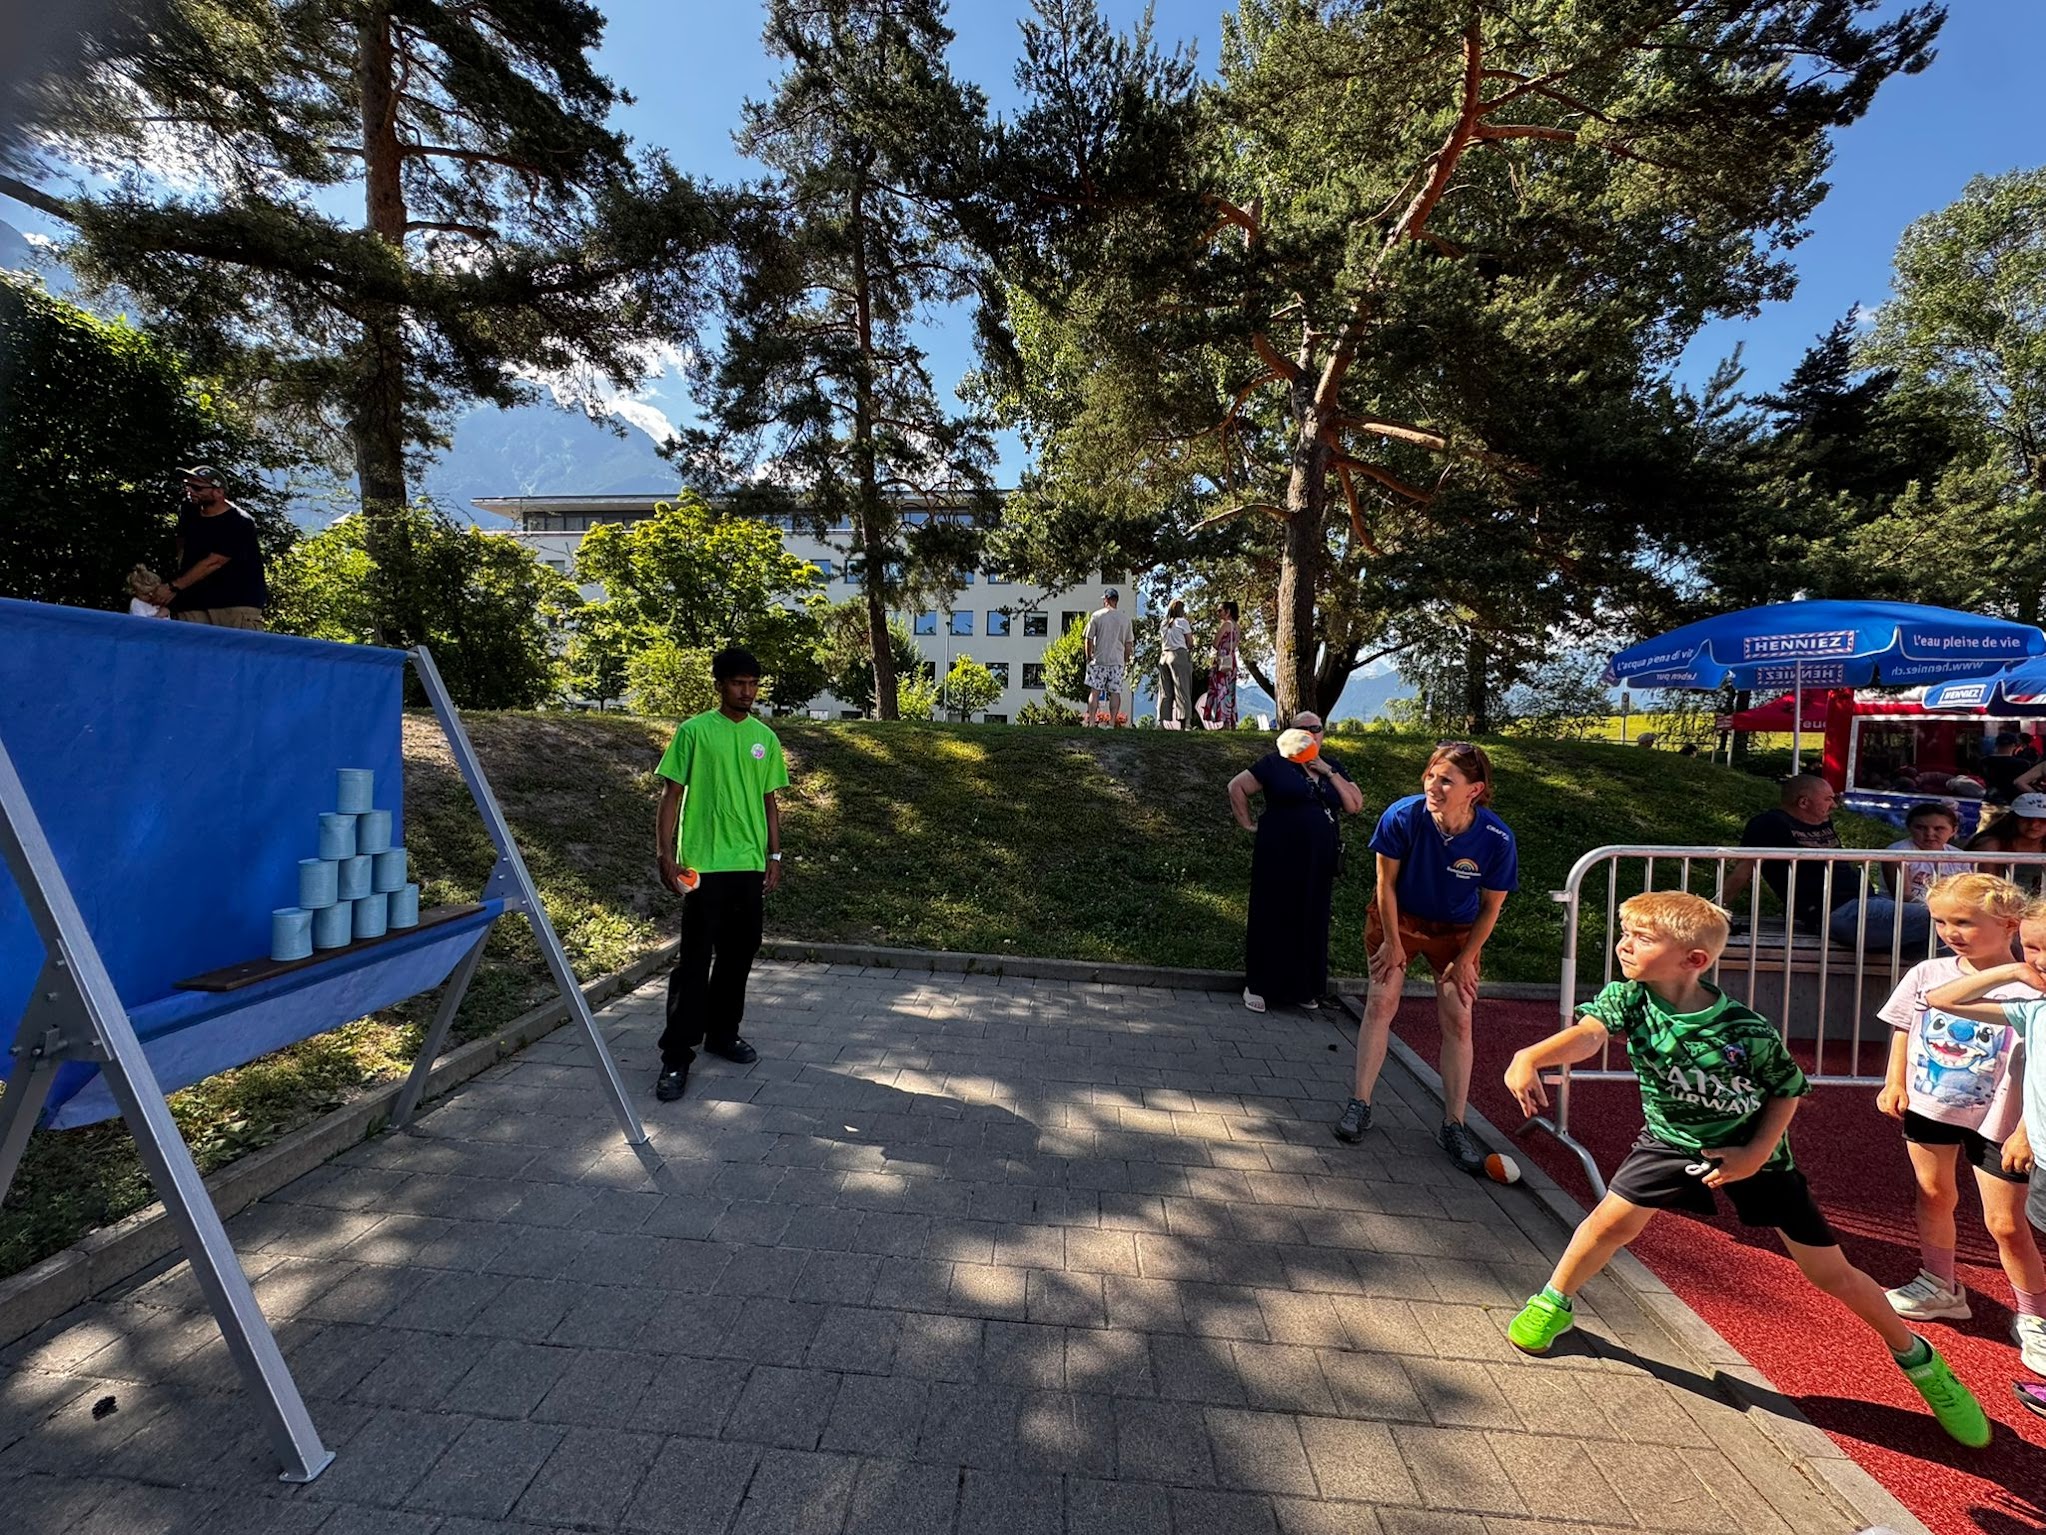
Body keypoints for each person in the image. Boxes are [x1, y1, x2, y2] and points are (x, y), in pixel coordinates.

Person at [1503, 891, 1992, 1448]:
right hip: (1670, 1142)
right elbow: (1590, 1035)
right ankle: (1553, 1301)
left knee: (1830, 1274)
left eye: (1642, 937)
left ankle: (1918, 1358)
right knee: (1609, 1223)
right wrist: (1530, 1056)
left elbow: (1788, 1090)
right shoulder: (1629, 998)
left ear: (1694, 960)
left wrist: (1756, 1153)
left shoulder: (1746, 1029)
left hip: (1759, 1156)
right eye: (1626, 933)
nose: (1624, 945)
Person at [1874, 873, 2046, 1379]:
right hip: (1933, 1103)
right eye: (1942, 921)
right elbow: (1908, 1023)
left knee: (2005, 1223)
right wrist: (1894, 1080)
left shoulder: (2032, 991)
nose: (1951, 932)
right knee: (1933, 1194)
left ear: (2008, 925)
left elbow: (2035, 1068)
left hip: (2001, 1117)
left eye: (1965, 922)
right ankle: (1940, 1284)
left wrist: (2023, 1129)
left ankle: (2034, 1317)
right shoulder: (1929, 971)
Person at [1334, 741, 1518, 1174]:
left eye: (1446, 780)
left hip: (1456, 928)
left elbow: (1492, 906)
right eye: (1430, 776)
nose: (1433, 786)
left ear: (1474, 790)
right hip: (1398, 916)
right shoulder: (1402, 816)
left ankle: (1454, 1124)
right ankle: (1360, 1103)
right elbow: (1385, 884)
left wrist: (1467, 958)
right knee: (1381, 1002)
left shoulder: (1496, 838)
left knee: (1459, 1018)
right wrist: (1393, 942)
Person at [1922, 907, 2046, 1418]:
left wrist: (2023, 1130)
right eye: (2034, 947)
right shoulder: (2034, 1009)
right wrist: (2014, 969)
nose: (2041, 960)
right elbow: (1942, 999)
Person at [651, 646, 788, 1102]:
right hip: (703, 865)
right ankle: (676, 1055)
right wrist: (665, 854)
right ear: (720, 685)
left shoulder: (764, 738)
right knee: (695, 961)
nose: (747, 691)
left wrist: (774, 856)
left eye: (753, 683)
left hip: (748, 864)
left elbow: (770, 802)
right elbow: (671, 795)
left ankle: (723, 1034)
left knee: (739, 954)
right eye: (738, 683)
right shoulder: (694, 731)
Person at [1228, 713, 1364, 1012]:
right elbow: (1236, 787)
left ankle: (1303, 988)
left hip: (1319, 860)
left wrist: (1329, 772)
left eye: (1317, 728)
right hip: (1278, 854)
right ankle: (1259, 985)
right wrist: (1248, 824)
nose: (1312, 733)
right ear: (1291, 733)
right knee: (1272, 915)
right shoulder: (1274, 764)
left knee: (1311, 917)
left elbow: (1354, 804)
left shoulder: (1332, 767)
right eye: (1304, 728)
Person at [1828, 799, 1971, 950]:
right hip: (1897, 911)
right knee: (1940, 919)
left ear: (1953, 830)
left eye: (1939, 828)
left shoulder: (1960, 856)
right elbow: (1903, 896)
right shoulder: (1898, 852)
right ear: (1909, 828)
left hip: (1941, 911)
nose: (1930, 834)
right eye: (1920, 827)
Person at [1720, 774, 1851, 935]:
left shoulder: (1823, 821)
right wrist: (1715, 912)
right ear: (1803, 802)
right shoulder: (1769, 824)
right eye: (1828, 799)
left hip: (1862, 900)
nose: (1834, 805)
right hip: (1834, 909)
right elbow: (1743, 871)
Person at [149, 466, 268, 629]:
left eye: (197, 487)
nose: (190, 491)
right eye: (187, 485)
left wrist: (173, 587)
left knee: (238, 646)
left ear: (218, 492)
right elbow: (181, 549)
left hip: (234, 605)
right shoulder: (188, 511)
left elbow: (214, 562)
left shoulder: (239, 522)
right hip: (191, 605)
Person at [1970, 793, 2046, 895]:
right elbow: (1986, 887)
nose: (2034, 825)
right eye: (2026, 818)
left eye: (2043, 820)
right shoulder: (1991, 846)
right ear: (2013, 819)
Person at [1083, 588, 1135, 728]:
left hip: (1099, 660)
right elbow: (1128, 644)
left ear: (1106, 599)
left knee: (1095, 692)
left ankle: (1092, 721)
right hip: (1116, 661)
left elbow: (1088, 638)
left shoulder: (1097, 616)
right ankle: (1112, 722)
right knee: (1115, 692)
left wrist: (1089, 656)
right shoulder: (1125, 619)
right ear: (1116, 600)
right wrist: (1125, 659)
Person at [1158, 599, 1195, 729]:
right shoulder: (1182, 622)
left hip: (1164, 656)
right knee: (1182, 689)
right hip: (1178, 655)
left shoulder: (1164, 624)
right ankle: (1186, 722)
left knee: (1165, 691)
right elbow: (1190, 642)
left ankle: (1162, 722)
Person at [1205, 600, 1239, 730]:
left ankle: (1223, 721)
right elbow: (1235, 644)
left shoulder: (1226, 625)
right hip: (1232, 659)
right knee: (1230, 691)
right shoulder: (1237, 627)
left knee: (1221, 689)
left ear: (1227, 611)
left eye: (1220, 611)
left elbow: (1215, 643)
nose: (1218, 613)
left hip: (1222, 659)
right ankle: (1231, 721)